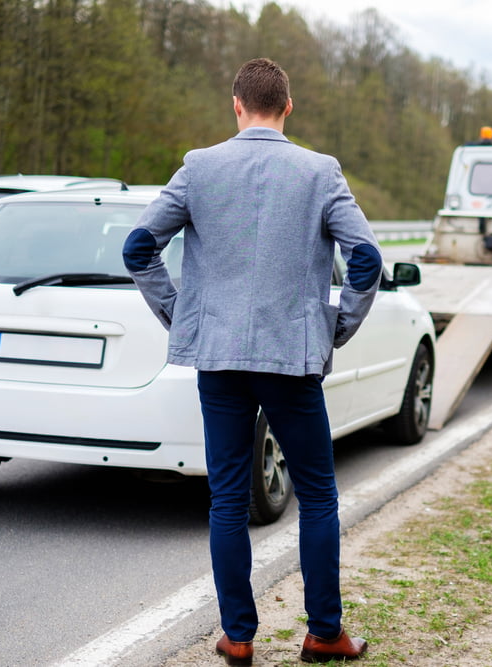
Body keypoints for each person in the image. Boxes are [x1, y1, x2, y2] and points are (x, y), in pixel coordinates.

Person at [122, 58, 381, 665]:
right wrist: (332, 327)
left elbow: (139, 248)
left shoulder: (198, 167)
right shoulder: (320, 172)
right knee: (316, 496)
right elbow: (366, 259)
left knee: (228, 499)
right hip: (291, 357)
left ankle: (238, 638)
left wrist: (183, 315)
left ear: (235, 105)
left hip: (220, 356)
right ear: (287, 107)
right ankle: (323, 633)